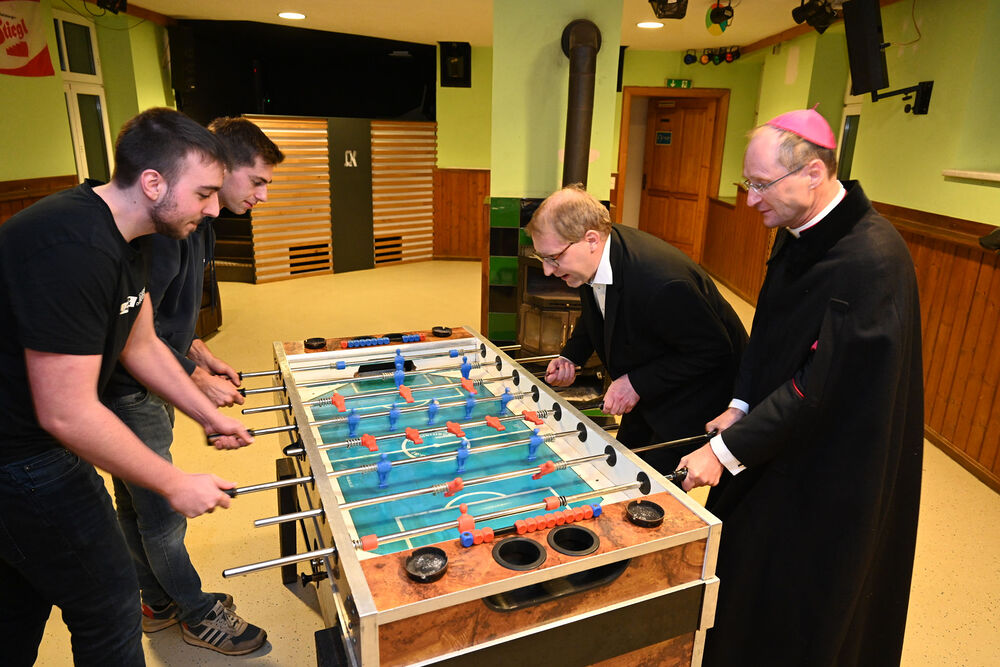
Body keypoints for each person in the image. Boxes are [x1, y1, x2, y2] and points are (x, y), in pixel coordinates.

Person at [0, 107, 254, 665]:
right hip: (19, 455)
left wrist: (206, 414)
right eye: (204, 193)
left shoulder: (129, 234)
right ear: (153, 183)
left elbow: (140, 345)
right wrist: (174, 482)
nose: (214, 208)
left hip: (28, 442)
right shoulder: (73, 248)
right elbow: (66, 412)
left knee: (21, 600)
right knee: (110, 602)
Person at [678, 109, 924, 666]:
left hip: (830, 469)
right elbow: (769, 331)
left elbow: (822, 386)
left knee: (795, 604)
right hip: (777, 435)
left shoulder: (870, 259)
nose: (749, 200)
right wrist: (741, 404)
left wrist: (724, 452)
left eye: (761, 184)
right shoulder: (799, 231)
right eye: (747, 183)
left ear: (813, 173)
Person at [104, 117, 284, 656]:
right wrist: (194, 381)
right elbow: (136, 336)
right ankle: (195, 611)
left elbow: (166, 315)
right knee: (162, 508)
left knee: (135, 503)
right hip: (127, 387)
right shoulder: (164, 228)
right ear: (223, 168)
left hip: (149, 378)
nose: (262, 195)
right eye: (257, 181)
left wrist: (200, 353)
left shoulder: (201, 220)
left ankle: (158, 600)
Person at [525, 185, 748, 473]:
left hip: (695, 395)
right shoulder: (591, 258)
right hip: (650, 378)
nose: (547, 270)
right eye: (542, 258)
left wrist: (635, 383)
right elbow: (598, 309)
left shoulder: (662, 283)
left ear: (591, 239)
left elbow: (714, 351)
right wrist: (572, 356)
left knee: (652, 485)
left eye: (553, 258)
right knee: (622, 466)